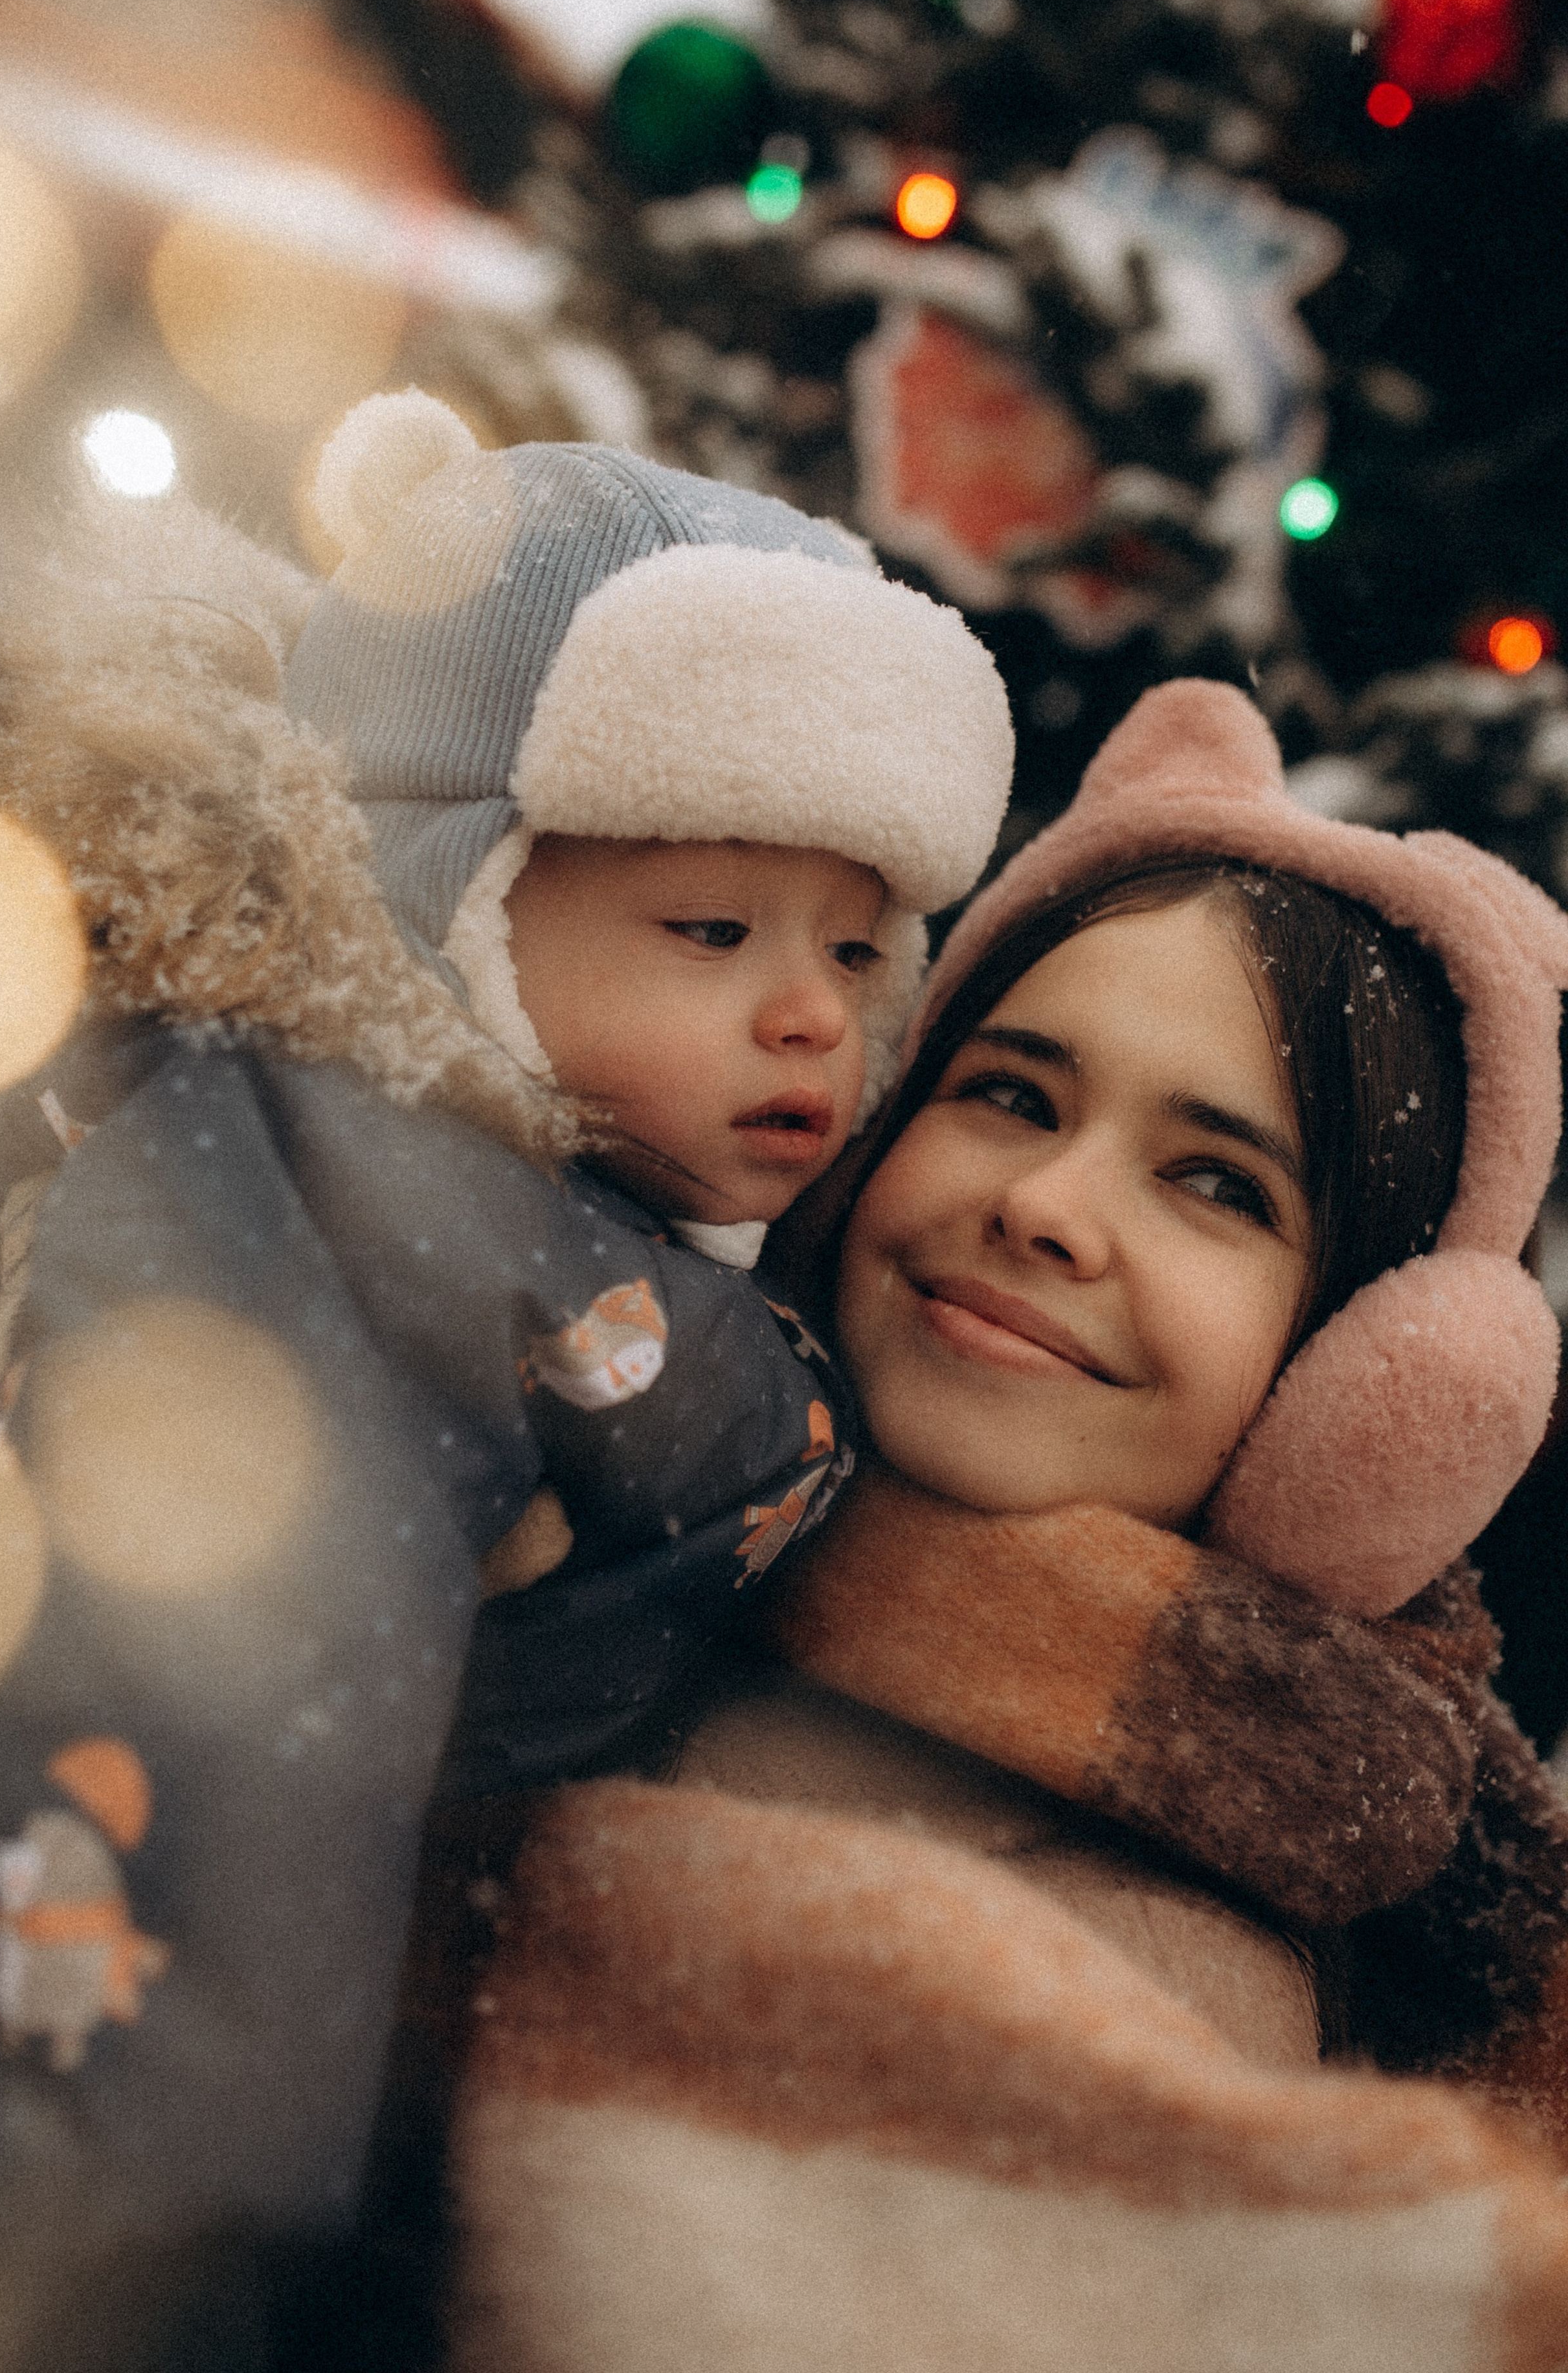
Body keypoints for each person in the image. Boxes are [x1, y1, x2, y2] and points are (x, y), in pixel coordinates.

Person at [0, 394, 1011, 2368]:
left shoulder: (523, 1219)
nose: (806, 1012)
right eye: (710, 927)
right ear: (450, 898)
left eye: (861, 953)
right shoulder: (330, 1185)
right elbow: (158, 1704)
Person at [453, 679, 1568, 2370]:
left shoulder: (1187, 1972)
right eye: (1015, 1097)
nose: (1045, 1208)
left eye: (1217, 1184)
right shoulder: (579, 1507)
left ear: (1364, 1391)